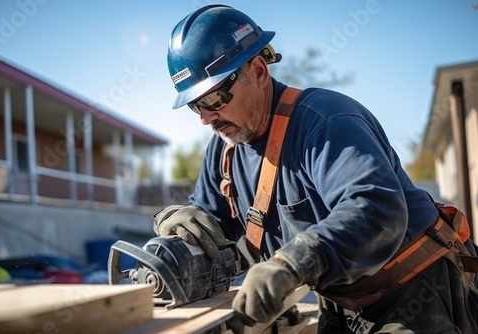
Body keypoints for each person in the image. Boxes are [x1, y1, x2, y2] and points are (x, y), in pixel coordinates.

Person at [154, 4, 478, 333]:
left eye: (215, 99)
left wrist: (295, 261)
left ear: (258, 71)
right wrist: (174, 221)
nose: (206, 118)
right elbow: (213, 231)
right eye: (196, 104)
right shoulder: (225, 149)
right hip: (339, 302)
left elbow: (377, 210)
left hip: (412, 291)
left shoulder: (324, 121)